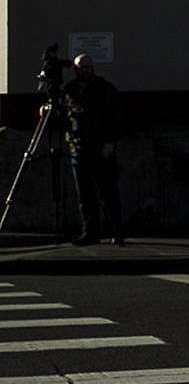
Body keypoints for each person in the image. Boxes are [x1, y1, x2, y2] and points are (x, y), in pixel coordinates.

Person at [53, 54, 123, 245]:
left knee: (107, 192)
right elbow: (62, 114)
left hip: (101, 147)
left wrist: (111, 142)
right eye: (82, 67)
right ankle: (90, 232)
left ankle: (117, 231)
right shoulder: (70, 90)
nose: (86, 70)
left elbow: (116, 116)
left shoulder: (104, 88)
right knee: (85, 195)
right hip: (79, 147)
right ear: (76, 69)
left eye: (88, 67)